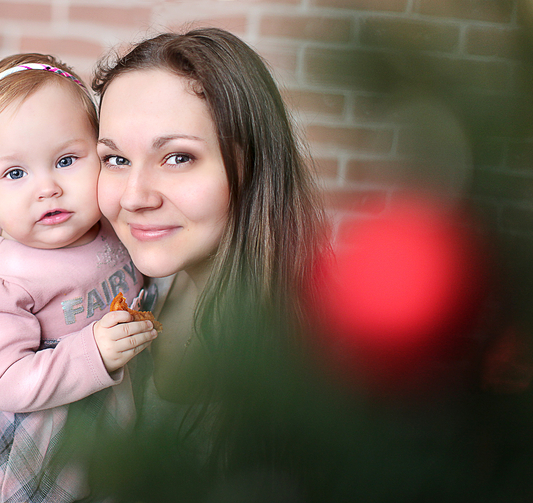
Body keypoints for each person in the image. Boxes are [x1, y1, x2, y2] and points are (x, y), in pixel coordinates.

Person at [77, 27, 328, 501]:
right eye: (115, 159)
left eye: (177, 157)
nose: (134, 197)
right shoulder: (131, 293)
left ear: (251, 164)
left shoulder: (313, 364)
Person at [0, 53, 157, 503]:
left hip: (117, 409)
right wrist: (93, 353)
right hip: (41, 437)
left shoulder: (112, 223)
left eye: (66, 160)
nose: (47, 188)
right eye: (15, 173)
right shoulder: (3, 282)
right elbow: (3, 382)